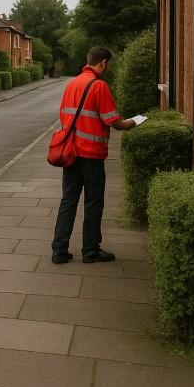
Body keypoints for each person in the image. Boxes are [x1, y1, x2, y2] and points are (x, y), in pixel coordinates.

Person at [51, 47, 137, 264]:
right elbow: (114, 121)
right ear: (104, 63)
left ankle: (59, 251)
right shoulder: (99, 86)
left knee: (68, 201)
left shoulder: (71, 84)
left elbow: (63, 116)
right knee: (93, 202)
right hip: (91, 156)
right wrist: (133, 122)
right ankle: (90, 250)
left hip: (70, 153)